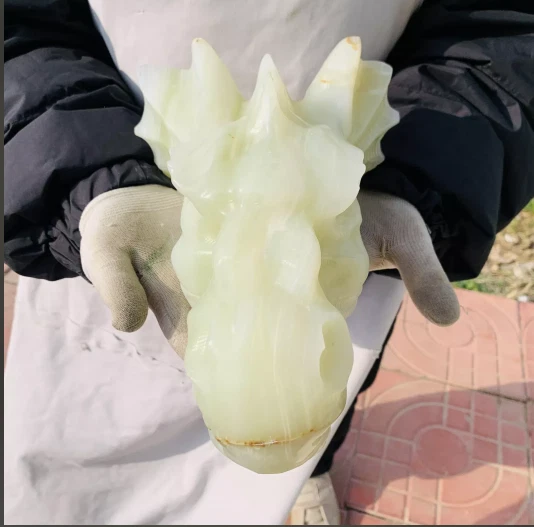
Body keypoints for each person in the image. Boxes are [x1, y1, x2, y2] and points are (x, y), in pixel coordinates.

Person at [4, 0, 533, 524]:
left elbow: (505, 28)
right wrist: (83, 181)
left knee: (339, 364)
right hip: (118, 161)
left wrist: (424, 176)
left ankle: (315, 465)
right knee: (94, 411)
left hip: (364, 188)